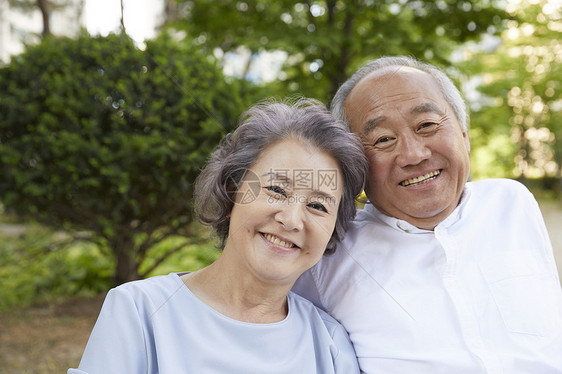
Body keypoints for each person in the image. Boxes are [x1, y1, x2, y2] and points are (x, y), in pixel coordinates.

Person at [294, 56, 562, 373]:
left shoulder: (512, 202)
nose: (413, 155)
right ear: (356, 166)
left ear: (463, 133)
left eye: (427, 125)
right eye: (383, 139)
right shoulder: (328, 252)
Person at [68, 98, 367, 374]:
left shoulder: (330, 346)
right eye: (276, 190)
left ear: (332, 232)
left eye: (317, 205)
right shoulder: (138, 311)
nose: (290, 220)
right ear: (231, 193)